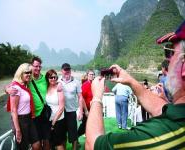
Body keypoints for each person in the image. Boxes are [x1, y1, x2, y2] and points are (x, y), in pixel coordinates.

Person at [86, 20, 185, 149]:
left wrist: (97, 98)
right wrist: (131, 81)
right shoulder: (179, 117)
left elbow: (92, 144)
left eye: (170, 52)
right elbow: (161, 109)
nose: (167, 60)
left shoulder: (155, 136)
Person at [6, 56, 50, 150]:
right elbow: (10, 88)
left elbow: (53, 82)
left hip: (38, 115)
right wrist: (6, 89)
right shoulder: (23, 83)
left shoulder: (39, 79)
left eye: (39, 66)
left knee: (42, 142)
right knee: (26, 145)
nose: (38, 68)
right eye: (35, 66)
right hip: (28, 118)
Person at [7, 63, 40, 150]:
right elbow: (13, 110)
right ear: (21, 73)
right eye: (26, 72)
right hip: (21, 120)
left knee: (36, 143)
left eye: (30, 72)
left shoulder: (25, 85)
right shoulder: (16, 88)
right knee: (23, 147)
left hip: (29, 118)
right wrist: (17, 130)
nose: (29, 74)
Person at [59, 63, 83, 150]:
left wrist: (81, 111)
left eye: (68, 69)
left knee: (74, 135)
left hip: (71, 112)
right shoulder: (58, 81)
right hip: (60, 112)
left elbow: (80, 97)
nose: (67, 71)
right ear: (62, 71)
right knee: (62, 134)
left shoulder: (76, 82)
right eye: (65, 70)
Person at [45, 69, 66, 150]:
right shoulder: (46, 87)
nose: (53, 79)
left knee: (58, 143)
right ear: (47, 78)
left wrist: (53, 123)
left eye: (55, 77)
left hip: (58, 120)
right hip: (48, 120)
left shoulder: (59, 88)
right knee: (50, 142)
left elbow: (61, 108)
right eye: (51, 77)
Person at [77, 70, 95, 138]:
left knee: (91, 124)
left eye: (93, 74)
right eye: (90, 74)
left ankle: (89, 137)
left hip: (92, 108)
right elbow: (81, 98)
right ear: (87, 75)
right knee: (85, 124)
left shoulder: (93, 84)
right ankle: (76, 137)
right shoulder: (85, 85)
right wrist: (85, 110)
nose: (92, 76)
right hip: (86, 109)